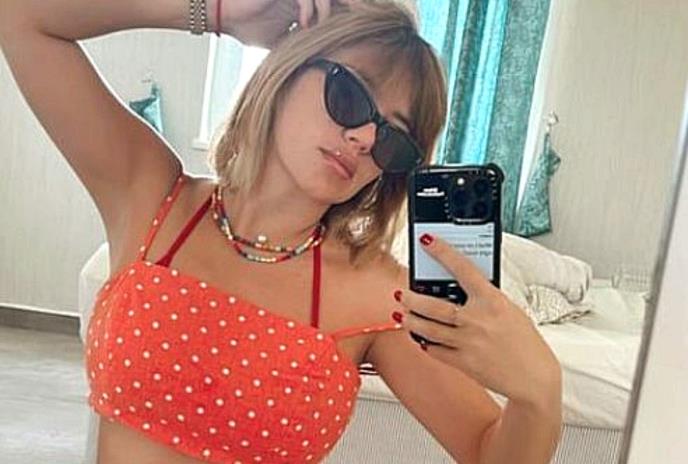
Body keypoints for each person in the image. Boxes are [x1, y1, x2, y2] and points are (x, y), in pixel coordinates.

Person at [0, 0, 563, 463]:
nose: (365, 138)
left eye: (394, 139)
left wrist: (539, 393)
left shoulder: (377, 293)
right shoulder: (151, 195)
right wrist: (216, 12)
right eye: (350, 96)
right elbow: (22, 16)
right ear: (289, 66)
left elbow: (490, 452)